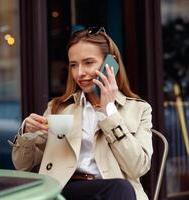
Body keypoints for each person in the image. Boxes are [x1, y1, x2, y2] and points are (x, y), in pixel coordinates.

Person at [10, 26, 153, 200]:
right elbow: (22, 166)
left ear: (111, 64)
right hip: (65, 191)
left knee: (120, 188)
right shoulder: (58, 108)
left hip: (112, 192)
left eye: (88, 62)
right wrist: (26, 133)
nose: (80, 73)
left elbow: (137, 168)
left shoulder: (139, 109)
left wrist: (110, 113)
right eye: (73, 65)